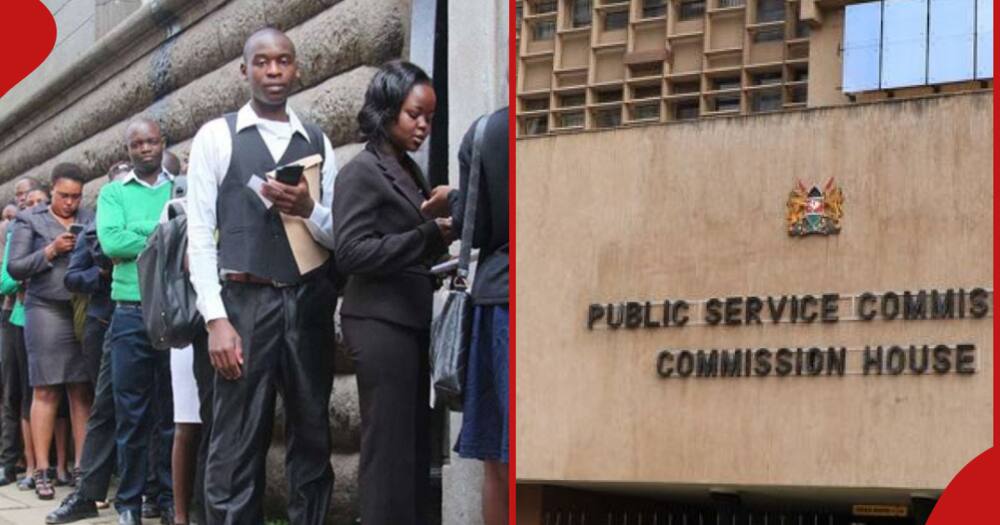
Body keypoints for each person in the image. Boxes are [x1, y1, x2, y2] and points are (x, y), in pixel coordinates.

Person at [186, 26, 339, 525]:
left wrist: (309, 208)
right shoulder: (217, 135)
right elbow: (200, 235)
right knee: (235, 441)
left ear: (297, 68)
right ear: (244, 69)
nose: (274, 72)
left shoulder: (317, 139)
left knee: (313, 434)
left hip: (307, 302)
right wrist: (216, 319)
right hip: (243, 303)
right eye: (262, 62)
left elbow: (339, 233)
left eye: (284, 61)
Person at [333, 60, 451, 525]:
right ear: (387, 110)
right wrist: (429, 236)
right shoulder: (361, 172)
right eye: (414, 114)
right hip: (378, 324)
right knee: (387, 451)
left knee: (411, 447)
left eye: (430, 118)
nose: (423, 125)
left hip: (410, 322)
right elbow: (352, 253)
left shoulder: (408, 170)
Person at [423, 107, 511, 525]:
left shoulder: (484, 132)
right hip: (565, 298)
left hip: (500, 302)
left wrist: (452, 198)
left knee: (498, 458)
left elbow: (472, 228)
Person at [97, 117, 175, 525]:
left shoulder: (179, 188)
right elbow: (111, 241)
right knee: (131, 414)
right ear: (127, 150)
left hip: (175, 312)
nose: (145, 149)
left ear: (163, 143)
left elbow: (195, 233)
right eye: (137, 144)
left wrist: (138, 235)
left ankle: (165, 497)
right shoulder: (112, 193)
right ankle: (128, 502)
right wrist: (162, 230)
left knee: (172, 412)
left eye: (152, 141)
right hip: (130, 313)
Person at [46, 161, 132, 524]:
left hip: (146, 319)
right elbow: (73, 279)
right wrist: (101, 274)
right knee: (105, 407)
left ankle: (141, 490)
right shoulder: (94, 230)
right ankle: (94, 489)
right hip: (103, 322)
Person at [7, 165, 95, 500]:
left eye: (76, 196)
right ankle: (41, 470)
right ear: (52, 191)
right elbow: (16, 268)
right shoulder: (29, 220)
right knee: (45, 390)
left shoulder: (89, 217)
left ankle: (83, 470)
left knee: (81, 389)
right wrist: (52, 250)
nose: (71, 203)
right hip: (44, 308)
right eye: (64, 196)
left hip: (80, 308)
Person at [0, 179, 44, 490]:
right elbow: (6, 280)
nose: (32, 208)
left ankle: (46, 466)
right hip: (16, 316)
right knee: (14, 393)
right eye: (26, 203)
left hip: (45, 320)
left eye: (38, 201)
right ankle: (12, 462)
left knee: (46, 395)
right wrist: (33, 270)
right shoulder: (13, 232)